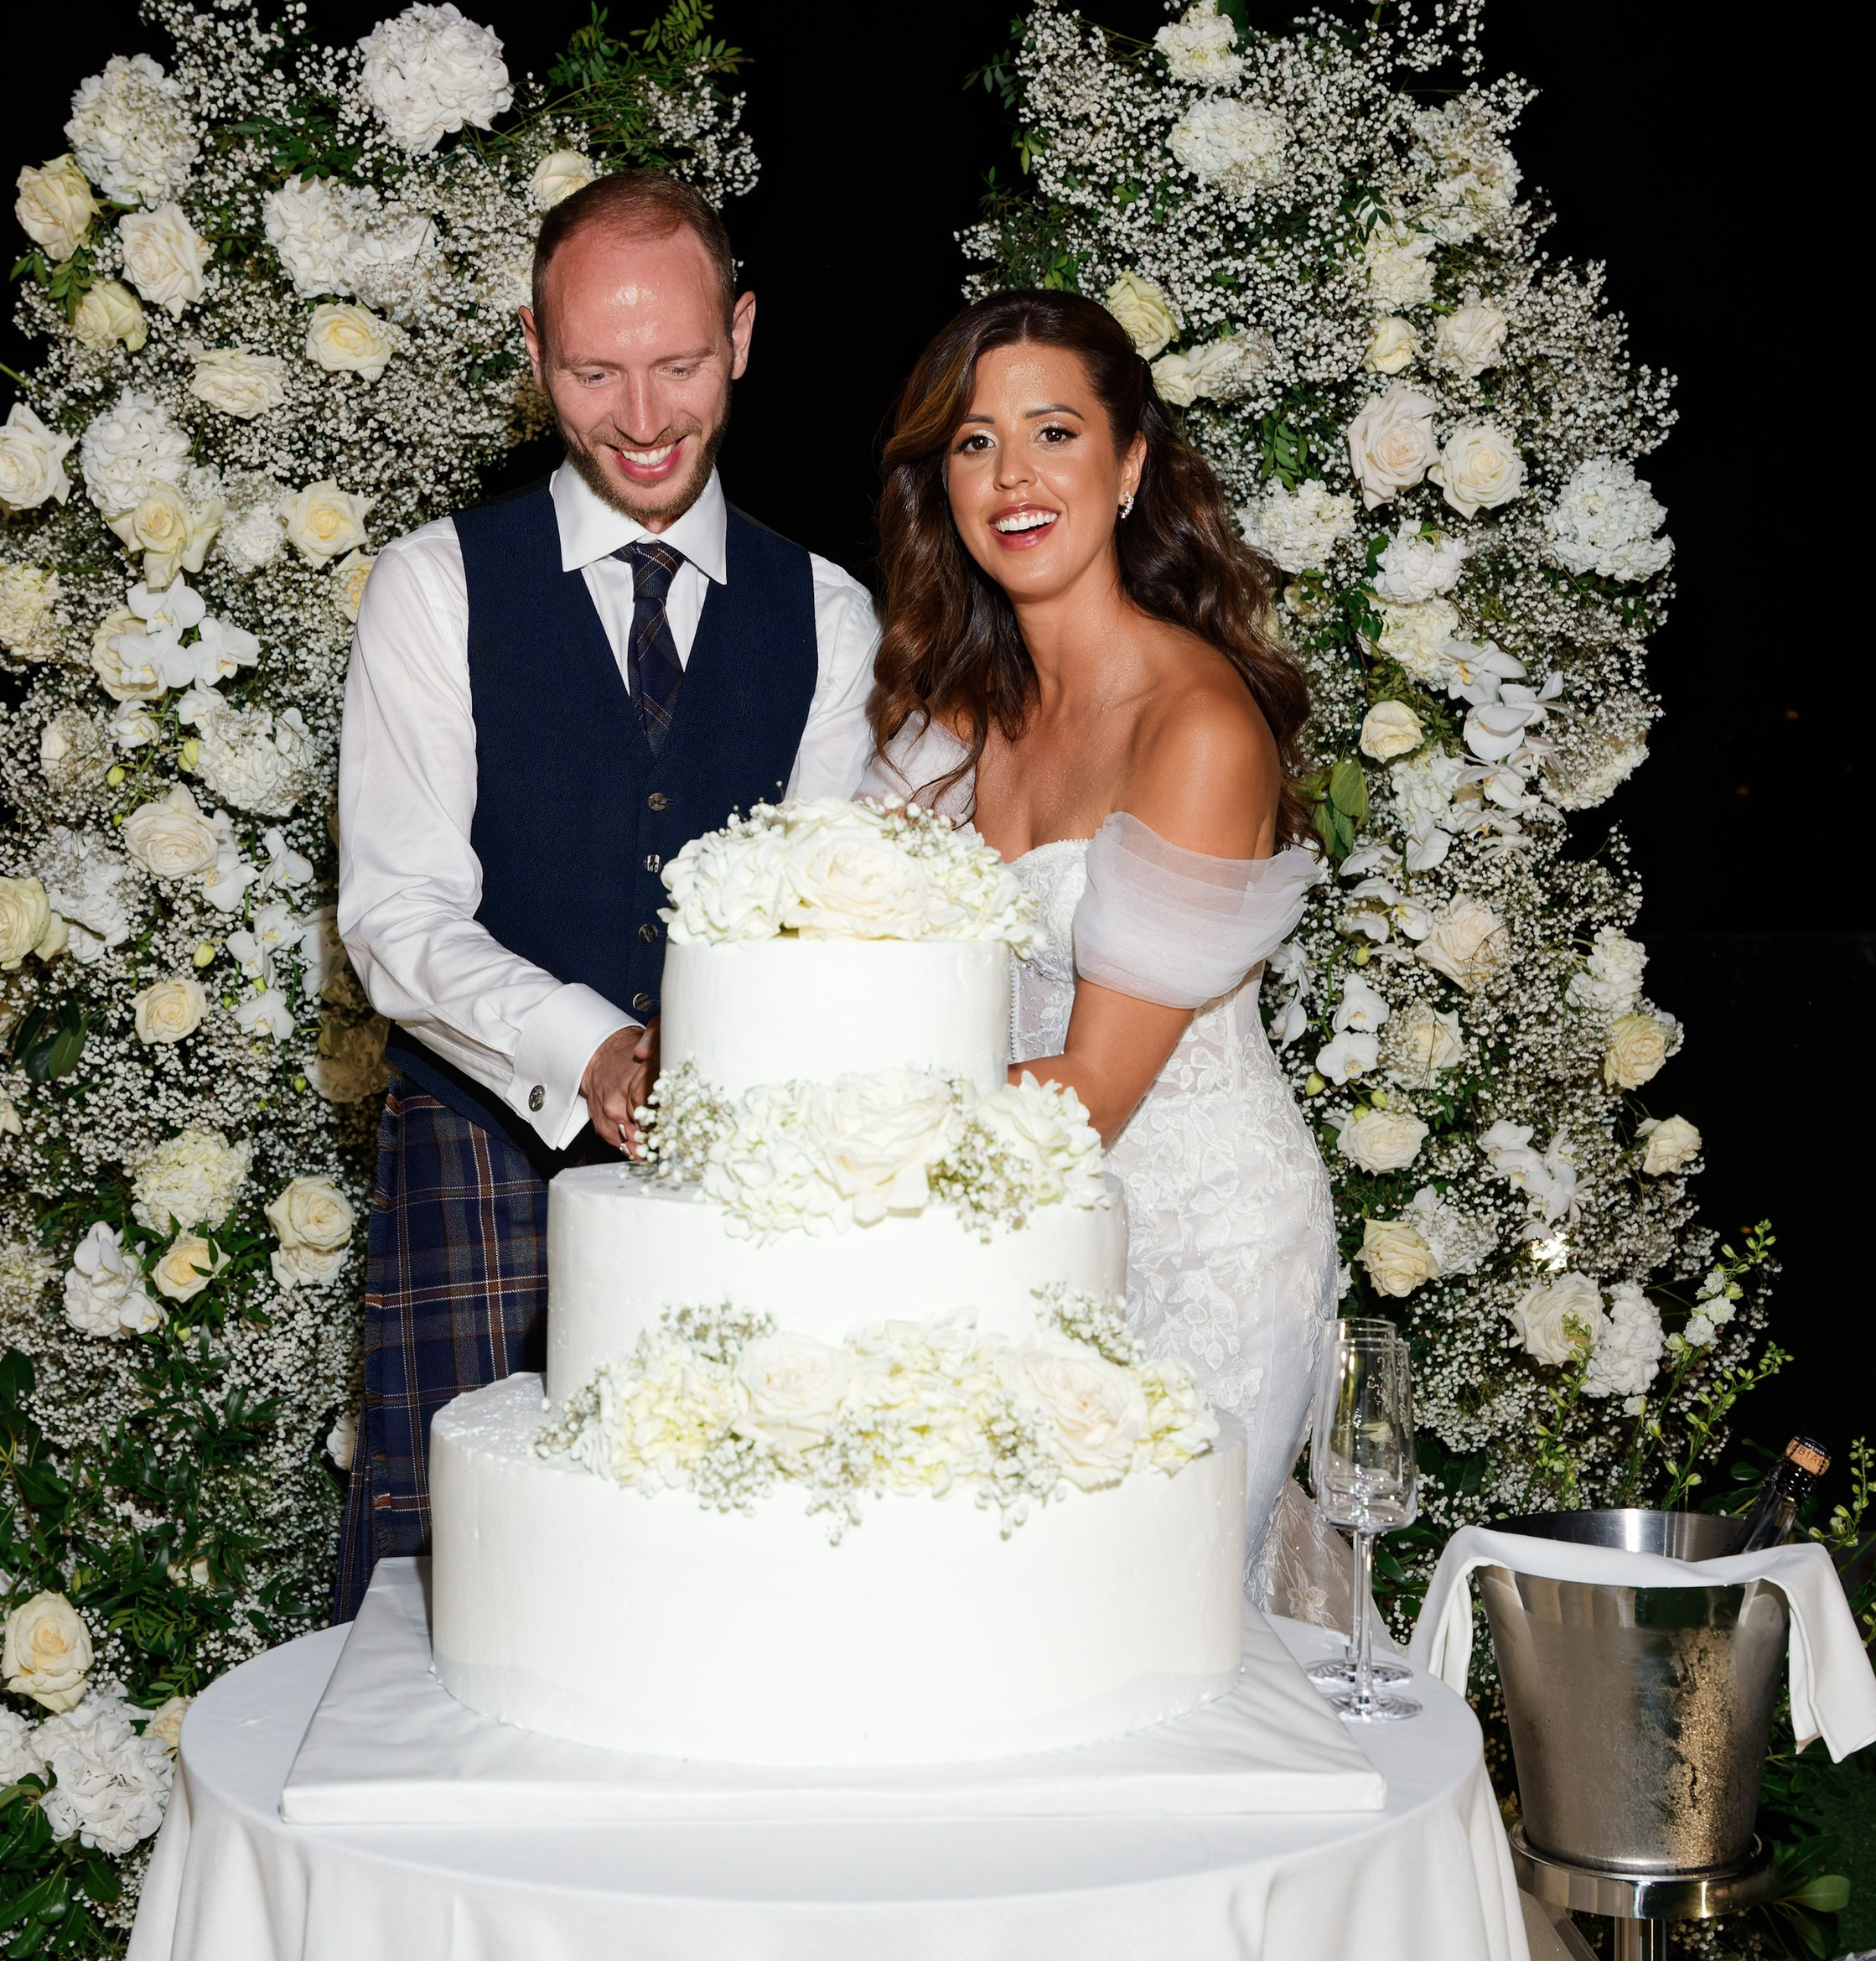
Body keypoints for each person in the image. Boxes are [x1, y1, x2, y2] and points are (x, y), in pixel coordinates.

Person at [332, 172, 878, 1613]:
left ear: (745, 334)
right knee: (449, 1615)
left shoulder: (829, 615)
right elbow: (395, 915)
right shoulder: (432, 586)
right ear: (532, 351)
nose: (642, 417)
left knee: (718, 1600)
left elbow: (814, 924)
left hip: (739, 1195)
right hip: (480, 1166)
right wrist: (592, 1047)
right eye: (594, 370)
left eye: (681, 364)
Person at [867, 288, 1336, 1577]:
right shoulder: (946, 721)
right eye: (972, 443)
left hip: (1199, 1251)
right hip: (1011, 1233)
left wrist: (827, 1134)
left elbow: (1087, 1098)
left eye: (1054, 433)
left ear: (1129, 465)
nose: (1013, 476)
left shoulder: (1195, 727)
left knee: (1137, 1628)